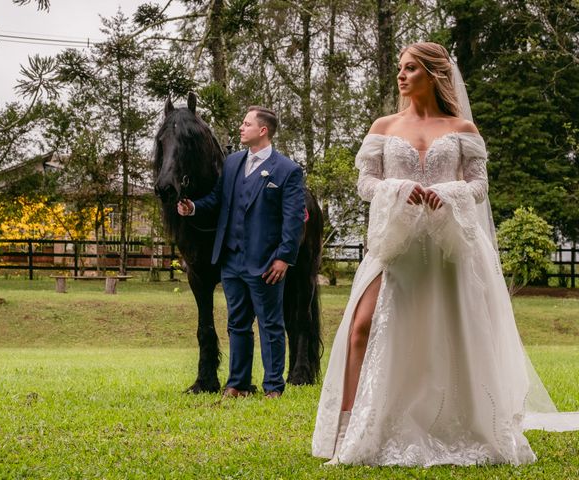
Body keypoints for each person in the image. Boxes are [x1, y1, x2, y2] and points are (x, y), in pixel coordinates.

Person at [312, 42, 578, 466]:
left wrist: (447, 194)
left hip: (446, 247)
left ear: (433, 75)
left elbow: (478, 187)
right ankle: (347, 434)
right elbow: (366, 183)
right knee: (362, 326)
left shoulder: (462, 130)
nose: (401, 76)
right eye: (400, 68)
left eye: (410, 68)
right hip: (395, 246)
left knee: (447, 338)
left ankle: (448, 422)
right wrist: (396, 190)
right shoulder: (383, 125)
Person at [177, 106, 305, 399]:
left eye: (246, 124)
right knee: (237, 324)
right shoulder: (232, 163)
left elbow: (294, 219)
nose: (240, 128)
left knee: (271, 325)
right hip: (231, 260)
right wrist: (193, 207)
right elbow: (218, 200)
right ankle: (238, 384)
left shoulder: (287, 170)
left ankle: (273, 386)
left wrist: (284, 257)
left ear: (263, 131)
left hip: (266, 263)